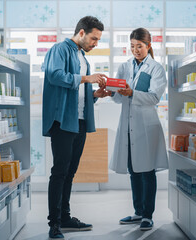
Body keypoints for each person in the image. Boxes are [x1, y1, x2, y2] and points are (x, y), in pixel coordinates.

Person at [42, 16, 112, 239]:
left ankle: (65, 217)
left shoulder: (82, 56)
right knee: (60, 172)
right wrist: (87, 78)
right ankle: (54, 224)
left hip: (79, 121)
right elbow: (54, 75)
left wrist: (95, 94)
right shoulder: (59, 49)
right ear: (81, 33)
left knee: (70, 172)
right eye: (94, 38)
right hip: (63, 121)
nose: (95, 44)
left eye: (98, 40)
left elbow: (78, 93)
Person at [110, 28, 168, 231]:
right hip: (127, 125)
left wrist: (132, 93)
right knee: (134, 169)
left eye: (140, 46)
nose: (136, 50)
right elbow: (118, 98)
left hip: (146, 126)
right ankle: (137, 212)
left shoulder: (156, 69)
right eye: (132, 46)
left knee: (147, 170)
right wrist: (110, 91)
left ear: (148, 46)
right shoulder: (124, 66)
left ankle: (148, 215)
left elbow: (154, 97)